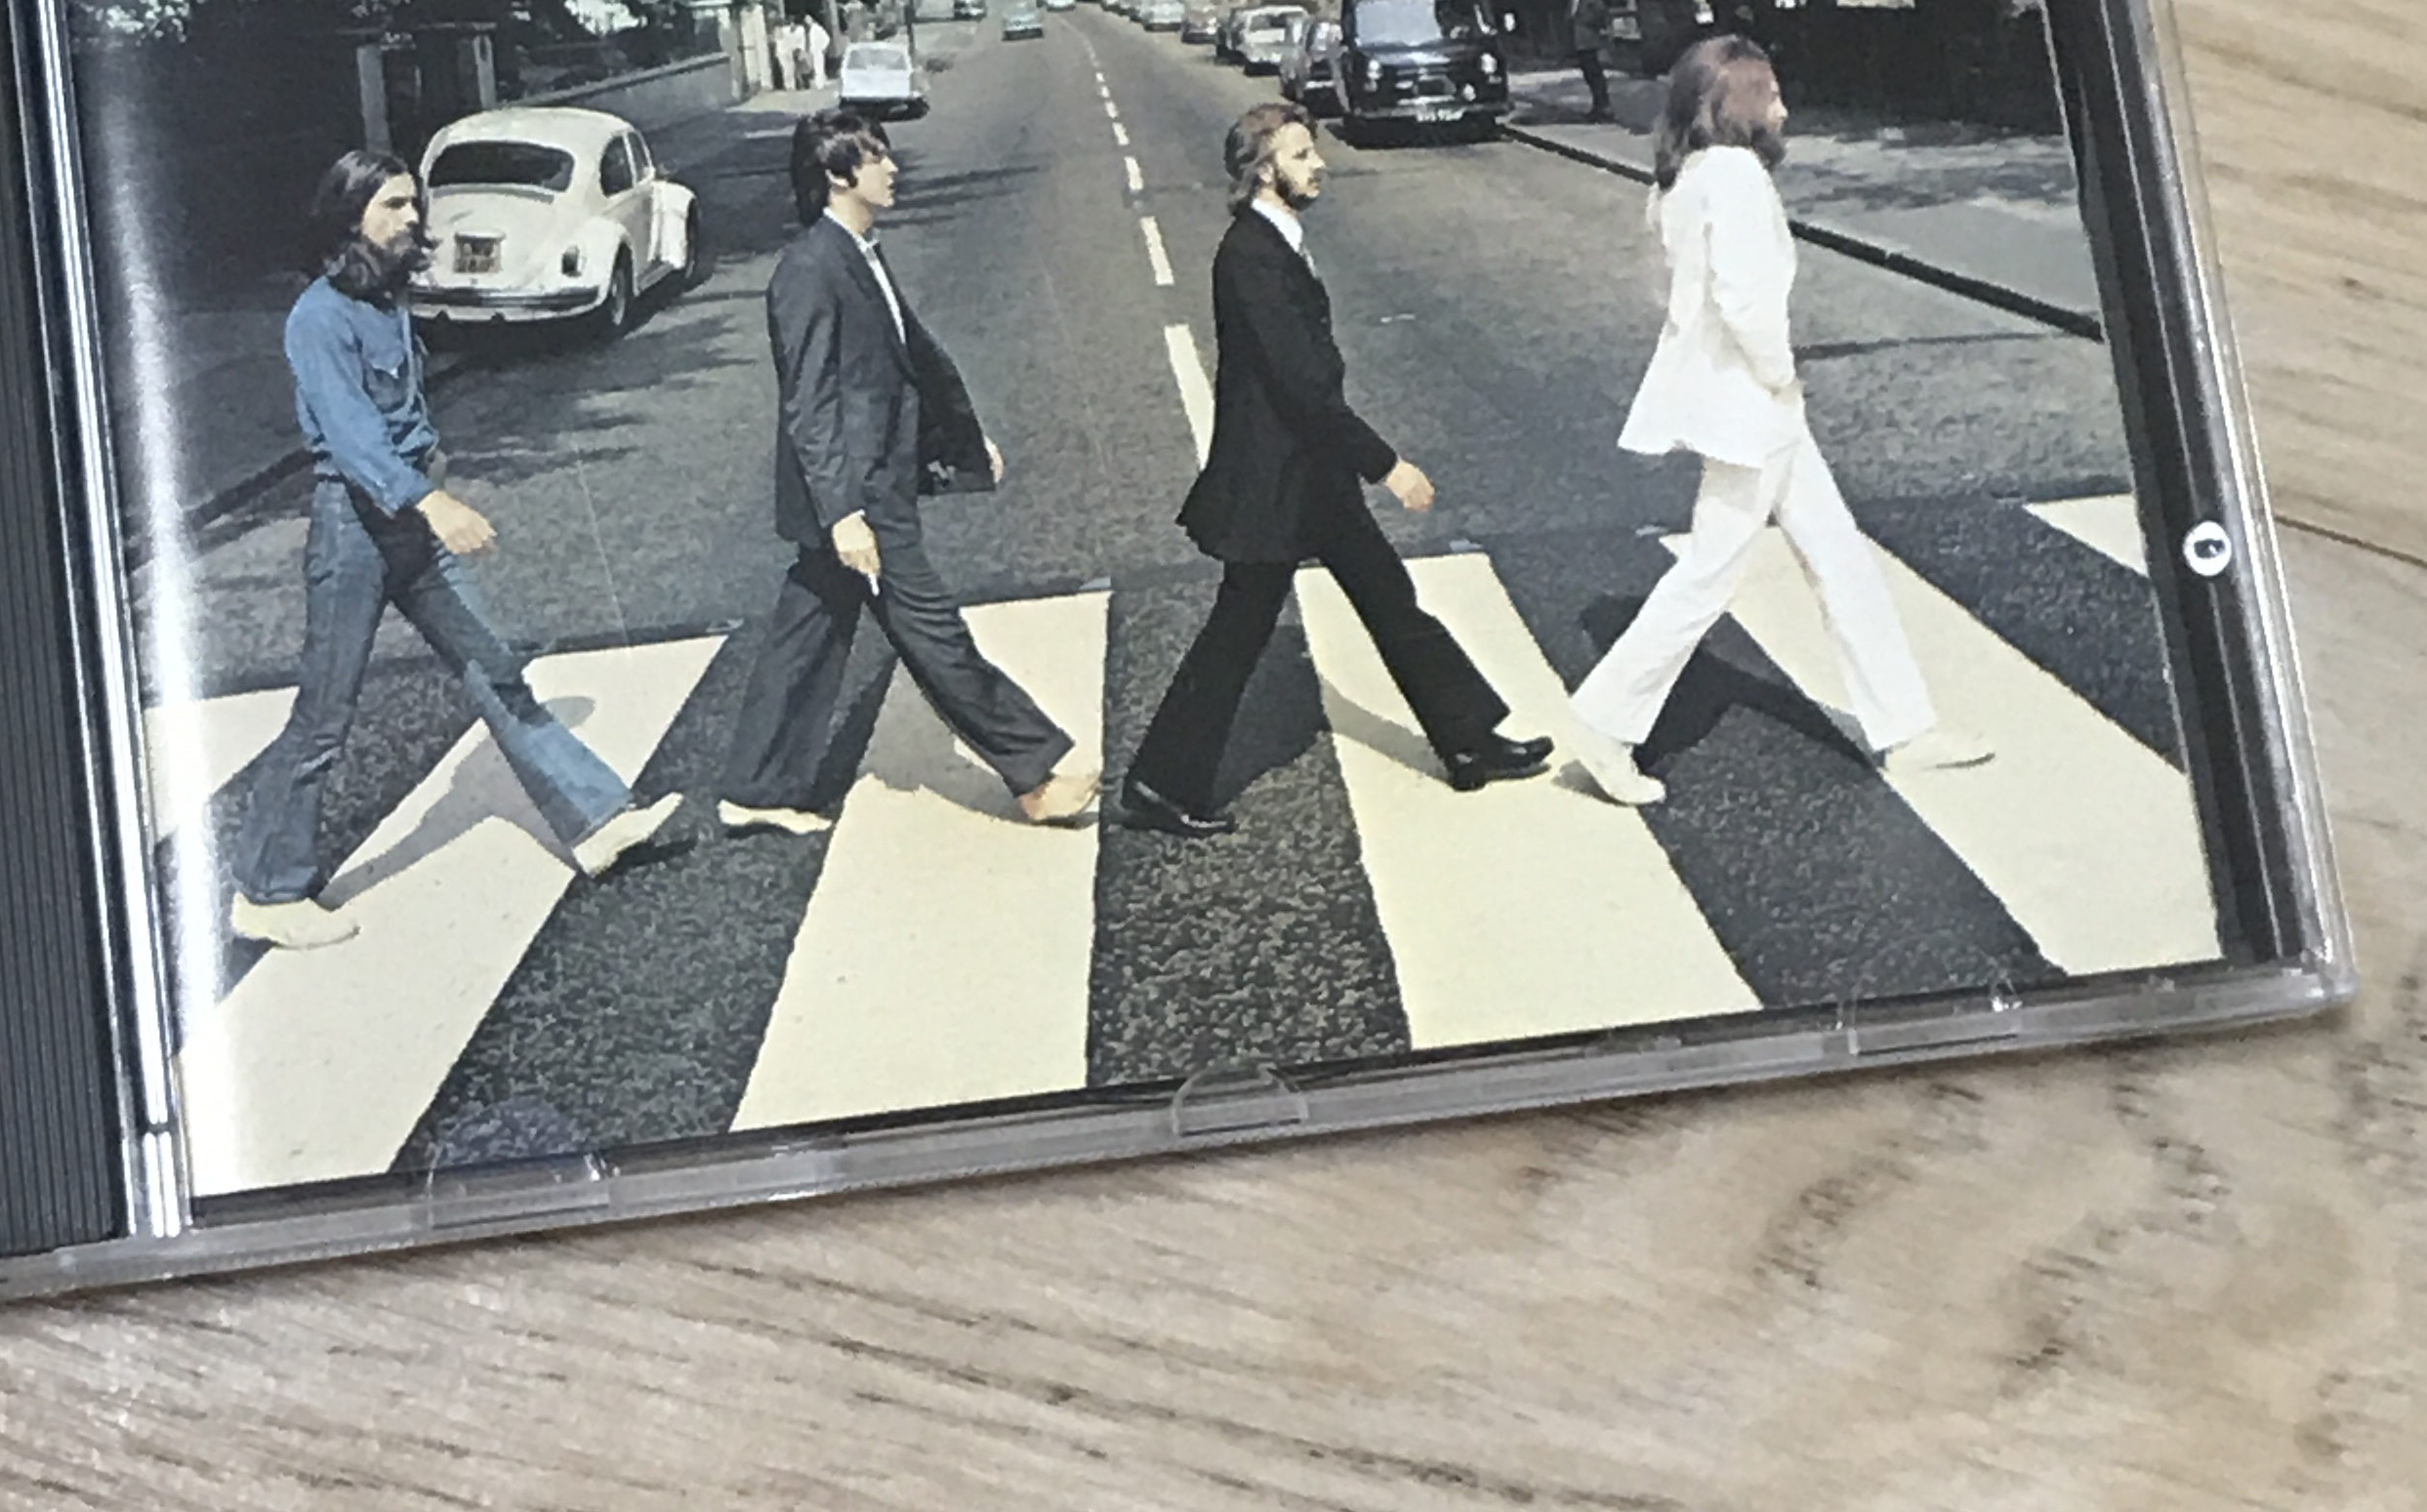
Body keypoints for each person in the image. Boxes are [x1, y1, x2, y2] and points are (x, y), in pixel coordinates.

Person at [226, 150, 682, 948]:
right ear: (349, 217)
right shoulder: (318, 318)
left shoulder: (388, 296)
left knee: (494, 667)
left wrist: (426, 486)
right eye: (393, 206)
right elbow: (354, 437)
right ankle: (266, 891)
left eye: (414, 204)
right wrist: (431, 501)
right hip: (356, 527)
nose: (413, 218)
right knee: (325, 715)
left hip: (409, 518)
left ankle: (597, 819)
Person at [1567, 37, 1993, 805]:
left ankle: (1906, 729)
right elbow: (1745, 301)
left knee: (1839, 556)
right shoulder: (1734, 175)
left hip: (1745, 404)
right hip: (1752, 406)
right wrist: (1777, 373)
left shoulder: (1681, 180)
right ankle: (1605, 722)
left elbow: (1667, 294)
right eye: (1771, 96)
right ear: (1736, 106)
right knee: (1709, 572)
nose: (1784, 110)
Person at [1121, 101, 1552, 838]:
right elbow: (1301, 389)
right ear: (1262, 172)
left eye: (1311, 150)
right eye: (1298, 155)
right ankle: (1160, 783)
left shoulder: (1277, 241)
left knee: (1392, 601)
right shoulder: (1250, 257)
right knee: (1238, 633)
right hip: (1275, 483)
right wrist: (1389, 466)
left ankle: (1466, 738)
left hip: (1311, 476)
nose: (1317, 164)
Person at [716, 109, 1098, 837]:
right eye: (877, 158)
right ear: (837, 175)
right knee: (934, 634)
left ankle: (757, 787)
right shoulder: (809, 269)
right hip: (860, 495)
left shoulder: (859, 251)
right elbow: (810, 403)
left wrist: (964, 439)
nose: (892, 168)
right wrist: (843, 515)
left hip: (874, 479)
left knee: (806, 636)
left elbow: (901, 366)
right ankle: (1035, 776)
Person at [1567, 0, 1613, 121]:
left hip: (1588, 41)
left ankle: (1603, 107)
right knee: (1589, 75)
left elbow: (1601, 10)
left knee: (1594, 74)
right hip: (1580, 41)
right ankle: (1597, 106)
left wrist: (1591, 24)